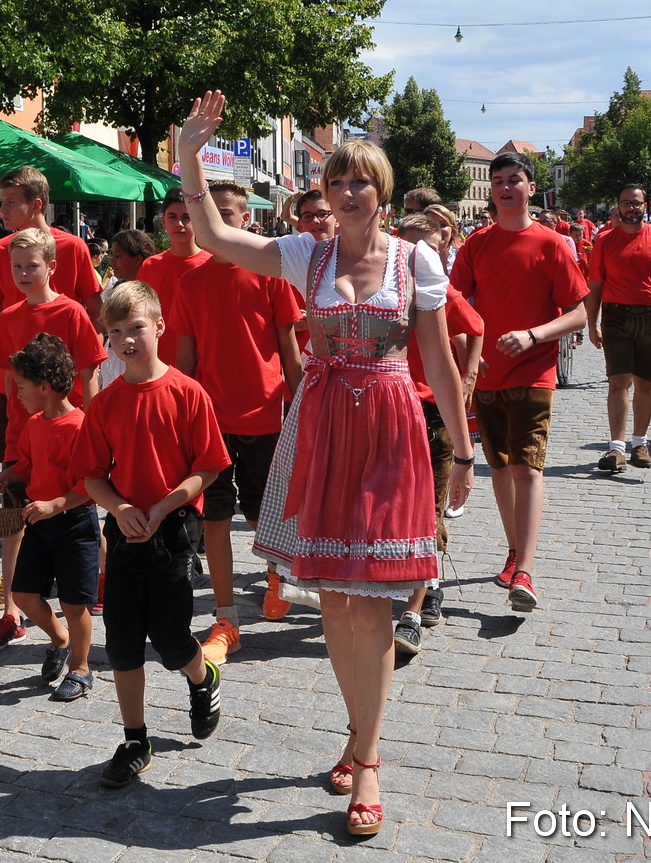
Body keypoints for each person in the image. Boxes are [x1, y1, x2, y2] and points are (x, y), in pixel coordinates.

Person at [175, 94, 474, 836]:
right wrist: (187, 155)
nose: (345, 192)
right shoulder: (304, 253)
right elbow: (213, 235)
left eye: (360, 181)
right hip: (321, 426)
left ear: (379, 192)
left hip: (391, 427)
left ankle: (366, 761)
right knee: (335, 602)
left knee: (370, 601)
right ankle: (356, 731)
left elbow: (436, 360)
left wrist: (465, 451)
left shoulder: (415, 259)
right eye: (337, 181)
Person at [72, 281, 231, 790]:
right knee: (121, 642)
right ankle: (135, 738)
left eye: (136, 327)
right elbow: (92, 475)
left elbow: (208, 467)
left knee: (169, 637)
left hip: (174, 531)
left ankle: (203, 677)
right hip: (124, 534)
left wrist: (163, 506)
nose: (127, 341)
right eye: (115, 333)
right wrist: (119, 508)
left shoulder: (187, 392)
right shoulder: (106, 404)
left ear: (159, 327)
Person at [167, 181, 302, 658]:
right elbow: (186, 357)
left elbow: (289, 349)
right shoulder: (190, 282)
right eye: (208, 213)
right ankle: (226, 617)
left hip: (265, 415)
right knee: (216, 517)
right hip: (211, 418)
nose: (216, 221)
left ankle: (276, 577)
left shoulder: (272, 275)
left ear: (246, 220)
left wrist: (303, 404)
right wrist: (177, 413)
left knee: (266, 512)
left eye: (226, 212)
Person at [449, 151, 586, 615]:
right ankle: (513, 552)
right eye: (498, 181)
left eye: (514, 180)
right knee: (501, 468)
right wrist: (465, 359)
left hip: (535, 371)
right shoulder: (476, 246)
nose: (506, 188)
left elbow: (580, 312)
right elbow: (454, 305)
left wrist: (534, 335)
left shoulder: (551, 245)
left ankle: (524, 570)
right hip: (486, 374)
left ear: (531, 188)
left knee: (528, 467)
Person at [0, 168, 104, 612]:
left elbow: (91, 313)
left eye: (11, 202)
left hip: (66, 407)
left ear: (36, 205)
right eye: (1, 201)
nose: (2, 209)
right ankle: (11, 591)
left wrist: (90, 410)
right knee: (19, 491)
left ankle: (93, 573)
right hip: (21, 402)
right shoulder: (0, 252)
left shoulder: (72, 248)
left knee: (77, 495)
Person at [0, 334, 98, 701]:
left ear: (45, 387)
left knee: (73, 603)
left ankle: (81, 667)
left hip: (74, 523)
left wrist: (56, 504)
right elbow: (30, 464)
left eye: (21, 387)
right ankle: (59, 639)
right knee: (24, 594)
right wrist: (9, 475)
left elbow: (90, 485)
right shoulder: (34, 424)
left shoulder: (80, 426)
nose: (16, 394)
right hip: (38, 522)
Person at [390, 214, 483, 657]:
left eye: (425, 249)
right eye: (408, 248)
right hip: (387, 408)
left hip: (431, 411)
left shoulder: (438, 290)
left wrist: (467, 376)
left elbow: (476, 325)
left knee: (429, 505)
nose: (415, 257)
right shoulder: (383, 289)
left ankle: (429, 589)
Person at [585, 185, 651, 472]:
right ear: (618, 207)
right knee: (618, 381)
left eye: (636, 203)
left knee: (645, 382)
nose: (631, 208)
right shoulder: (605, 242)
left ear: (646, 206)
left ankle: (640, 444)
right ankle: (616, 449)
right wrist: (591, 324)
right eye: (625, 203)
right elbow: (594, 287)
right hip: (616, 317)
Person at [99, 229, 156, 388]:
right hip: (113, 359)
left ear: (137, 259)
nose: (113, 262)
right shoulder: (116, 288)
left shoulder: (151, 294)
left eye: (118, 256)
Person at [137, 188, 213, 307]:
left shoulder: (210, 264)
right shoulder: (150, 266)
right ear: (164, 221)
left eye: (186, 217)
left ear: (198, 220)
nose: (179, 224)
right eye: (172, 217)